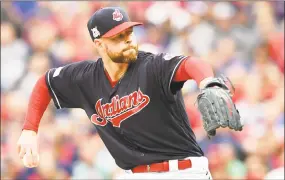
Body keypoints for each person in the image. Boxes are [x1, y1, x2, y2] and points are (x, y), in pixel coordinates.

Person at [17, 7, 241, 179]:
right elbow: (45, 83)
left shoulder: (152, 66)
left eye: (129, 32)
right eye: (117, 36)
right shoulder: (85, 78)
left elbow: (191, 64)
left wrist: (208, 83)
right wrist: (29, 130)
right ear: (99, 44)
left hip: (183, 172)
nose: (127, 40)